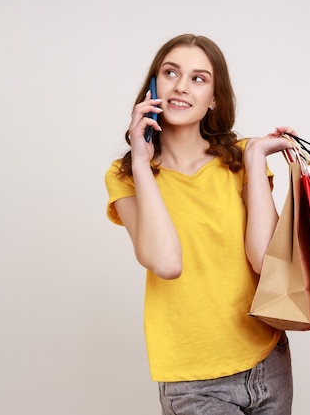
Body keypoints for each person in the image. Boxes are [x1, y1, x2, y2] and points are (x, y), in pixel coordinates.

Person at [104, 33, 296, 414]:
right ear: (153, 86)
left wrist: (256, 158)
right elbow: (167, 263)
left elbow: (265, 261)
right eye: (171, 72)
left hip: (267, 360)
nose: (181, 86)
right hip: (192, 379)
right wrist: (142, 163)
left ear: (214, 99)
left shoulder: (240, 159)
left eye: (198, 78)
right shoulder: (126, 175)